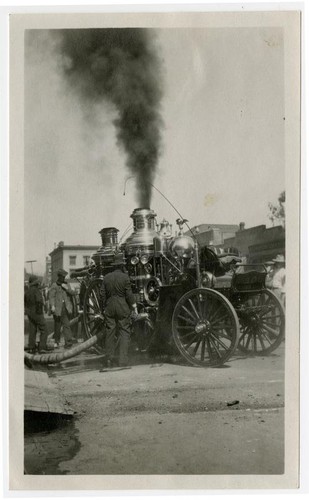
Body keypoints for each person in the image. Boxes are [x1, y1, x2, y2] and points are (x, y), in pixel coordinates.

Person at [100, 253, 138, 369]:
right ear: (122, 265)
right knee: (124, 331)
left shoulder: (106, 277)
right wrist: (134, 306)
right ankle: (123, 361)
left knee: (110, 332)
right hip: (122, 307)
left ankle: (109, 360)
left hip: (110, 307)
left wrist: (105, 307)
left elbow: (102, 295)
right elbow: (129, 294)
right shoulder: (125, 277)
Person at [49, 269, 76, 348]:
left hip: (66, 308)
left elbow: (73, 293)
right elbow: (51, 297)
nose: (64, 278)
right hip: (57, 308)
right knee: (57, 326)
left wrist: (67, 288)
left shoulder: (67, 284)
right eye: (62, 277)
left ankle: (68, 342)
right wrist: (52, 306)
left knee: (66, 325)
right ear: (59, 276)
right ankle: (57, 342)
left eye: (64, 277)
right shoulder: (54, 285)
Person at [24, 275, 50, 353]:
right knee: (44, 329)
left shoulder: (27, 291)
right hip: (37, 312)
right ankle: (42, 347)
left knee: (32, 329)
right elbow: (39, 301)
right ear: (36, 283)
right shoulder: (36, 291)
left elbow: (25, 302)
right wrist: (40, 312)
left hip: (29, 312)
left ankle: (31, 347)